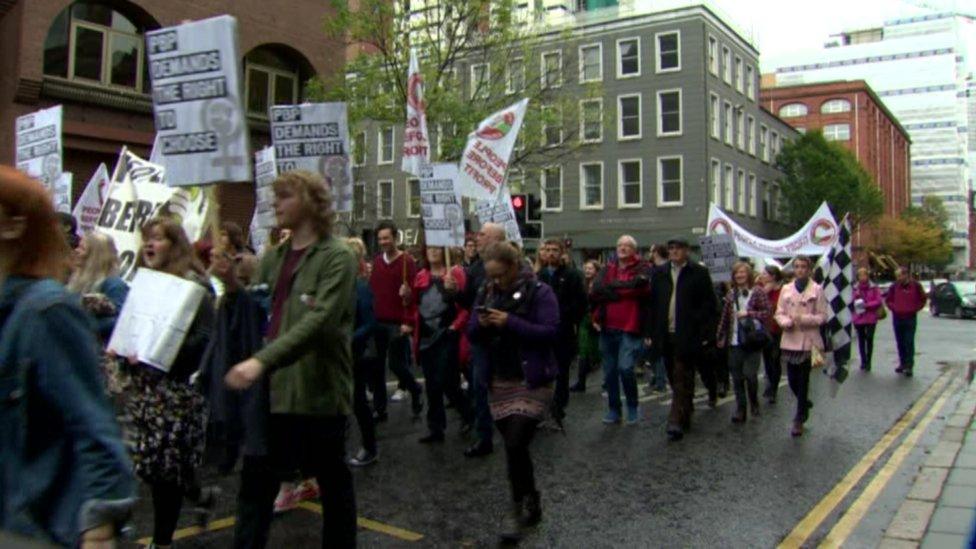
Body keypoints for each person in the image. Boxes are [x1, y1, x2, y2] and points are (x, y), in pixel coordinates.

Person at [0, 166, 135, 548]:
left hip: (33, 529)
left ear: (12, 226)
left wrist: (100, 523)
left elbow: (93, 424)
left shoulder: (47, 311)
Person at [225, 170, 358, 548]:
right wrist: (232, 287)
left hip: (318, 394)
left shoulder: (338, 258)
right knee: (254, 491)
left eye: (285, 196)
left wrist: (261, 361)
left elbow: (320, 323)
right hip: (273, 396)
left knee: (333, 485)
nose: (275, 204)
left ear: (311, 203)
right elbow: (256, 308)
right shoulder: (274, 257)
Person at [124, 217, 217, 548]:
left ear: (175, 245)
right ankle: (200, 494)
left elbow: (205, 337)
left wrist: (161, 353)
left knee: (166, 472)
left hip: (178, 392)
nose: (149, 244)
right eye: (146, 238)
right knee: (151, 467)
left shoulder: (195, 286)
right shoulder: (144, 283)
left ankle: (161, 541)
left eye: (158, 238)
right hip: (148, 390)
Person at [466, 242, 558, 544]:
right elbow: (471, 333)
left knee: (517, 441)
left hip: (531, 379)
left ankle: (516, 509)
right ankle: (530, 495)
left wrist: (511, 321)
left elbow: (550, 331)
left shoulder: (539, 291)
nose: (496, 282)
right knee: (514, 447)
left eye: (501, 275)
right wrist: (480, 324)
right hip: (500, 380)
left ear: (514, 267)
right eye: (491, 276)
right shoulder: (487, 291)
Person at [648, 236, 717, 441]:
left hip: (687, 333)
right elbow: (653, 304)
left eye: (678, 248)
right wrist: (650, 332)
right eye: (671, 248)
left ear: (687, 250)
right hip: (665, 332)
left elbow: (709, 305)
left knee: (681, 373)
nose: (674, 251)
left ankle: (675, 419)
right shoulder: (660, 273)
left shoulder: (699, 273)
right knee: (673, 374)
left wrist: (705, 332)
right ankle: (685, 408)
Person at [407, 246, 473, 442]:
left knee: (448, 382)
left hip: (447, 335)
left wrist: (455, 327)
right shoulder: (420, 276)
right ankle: (436, 428)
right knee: (432, 385)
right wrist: (407, 296)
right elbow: (414, 306)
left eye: (437, 248)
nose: (433, 252)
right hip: (427, 337)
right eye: (430, 248)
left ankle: (470, 414)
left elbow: (465, 306)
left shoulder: (455, 273)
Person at [590, 235, 651, 425]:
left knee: (625, 368)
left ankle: (633, 406)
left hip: (631, 327)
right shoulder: (608, 268)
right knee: (609, 372)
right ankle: (614, 409)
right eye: (619, 245)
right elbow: (597, 289)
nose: (622, 248)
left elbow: (641, 289)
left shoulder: (643, 268)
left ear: (634, 250)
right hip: (608, 326)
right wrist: (625, 288)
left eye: (627, 246)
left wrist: (614, 289)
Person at [460, 222, 508, 458]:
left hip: (505, 337)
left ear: (497, 240)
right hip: (481, 338)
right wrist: (453, 292)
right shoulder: (476, 267)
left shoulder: (512, 266)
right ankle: (484, 437)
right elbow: (467, 300)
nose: (477, 238)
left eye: (482, 234)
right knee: (479, 387)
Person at [368, 220, 423, 421]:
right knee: (376, 365)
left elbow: (414, 296)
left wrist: (408, 297)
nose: (383, 242)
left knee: (396, 364)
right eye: (380, 238)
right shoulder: (376, 262)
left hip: (397, 322)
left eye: (386, 238)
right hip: (377, 321)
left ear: (395, 238)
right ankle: (380, 408)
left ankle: (415, 388)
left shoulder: (407, 262)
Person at [774, 255, 828, 437]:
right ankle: (804, 403)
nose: (800, 270)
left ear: (809, 269)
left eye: (804, 267)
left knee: (803, 380)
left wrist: (804, 319)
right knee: (791, 380)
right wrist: (784, 322)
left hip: (808, 340)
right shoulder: (786, 289)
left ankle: (799, 418)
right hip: (790, 338)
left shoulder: (817, 290)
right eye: (797, 267)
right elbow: (779, 312)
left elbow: (822, 316)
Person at [536, 238, 586, 424]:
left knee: (562, 371)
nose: (550, 253)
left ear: (561, 252)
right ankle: (544, 406)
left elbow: (580, 303)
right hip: (541, 331)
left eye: (554, 250)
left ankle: (559, 408)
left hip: (562, 330)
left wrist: (565, 316)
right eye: (547, 249)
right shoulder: (539, 275)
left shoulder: (572, 275)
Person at [716, 262, 771, 423]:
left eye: (742, 272)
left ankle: (754, 401)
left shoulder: (758, 292)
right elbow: (725, 317)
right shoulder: (731, 294)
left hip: (752, 341)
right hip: (734, 341)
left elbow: (767, 312)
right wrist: (720, 335)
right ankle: (741, 408)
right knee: (737, 377)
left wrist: (749, 313)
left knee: (750, 374)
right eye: (736, 273)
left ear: (749, 275)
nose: (739, 276)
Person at [346, 238, 380, 467]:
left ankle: (370, 447)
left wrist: (349, 337)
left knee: (358, 402)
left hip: (356, 354)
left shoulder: (360, 288)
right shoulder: (338, 286)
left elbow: (370, 323)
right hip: (338, 353)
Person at [67, 231, 129, 341]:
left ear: (95, 256)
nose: (76, 251)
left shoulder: (114, 285)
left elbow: (121, 321)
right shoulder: (74, 280)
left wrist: (84, 326)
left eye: (82, 248)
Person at [884, 266, 926, 377]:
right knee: (900, 341)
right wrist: (894, 307)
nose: (898, 278)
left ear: (906, 275)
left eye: (900, 275)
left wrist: (915, 308)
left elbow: (923, 299)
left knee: (909, 341)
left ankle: (909, 365)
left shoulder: (916, 286)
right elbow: (888, 300)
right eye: (897, 276)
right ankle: (902, 363)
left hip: (910, 317)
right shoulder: (894, 286)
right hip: (897, 316)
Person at [570, 259, 602, 393]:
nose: (587, 271)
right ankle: (581, 382)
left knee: (597, 351)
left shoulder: (600, 285)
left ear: (596, 270)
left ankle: (597, 371)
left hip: (597, 321)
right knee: (583, 350)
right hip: (584, 320)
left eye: (590, 268)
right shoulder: (582, 284)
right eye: (586, 268)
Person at [757, 266, 784, 403]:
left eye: (765, 274)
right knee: (767, 359)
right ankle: (769, 384)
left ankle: (773, 388)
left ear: (773, 276)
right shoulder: (760, 288)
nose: (762, 275)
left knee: (775, 359)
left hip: (777, 330)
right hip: (764, 329)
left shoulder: (782, 290)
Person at [852, 267, 884, 372]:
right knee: (861, 339)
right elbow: (850, 301)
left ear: (867, 276)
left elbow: (878, 301)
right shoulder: (855, 288)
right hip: (859, 317)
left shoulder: (874, 288)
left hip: (870, 317)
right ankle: (863, 361)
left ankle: (869, 361)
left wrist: (867, 305)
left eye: (864, 275)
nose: (862, 277)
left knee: (869, 338)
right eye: (860, 275)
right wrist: (855, 298)